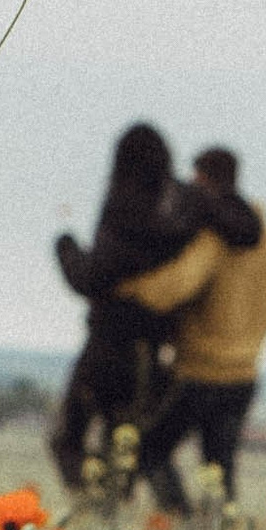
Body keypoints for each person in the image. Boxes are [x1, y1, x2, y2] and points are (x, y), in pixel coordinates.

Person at [120, 147, 266, 508]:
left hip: (201, 371)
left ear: (204, 179)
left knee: (148, 455)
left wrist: (123, 286)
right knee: (219, 473)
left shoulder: (216, 239)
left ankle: (181, 522)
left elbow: (174, 289)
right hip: (245, 373)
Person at [49, 124, 197, 491]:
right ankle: (116, 514)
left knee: (68, 438)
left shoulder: (125, 210)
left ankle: (94, 508)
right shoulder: (182, 212)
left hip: (108, 345)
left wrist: (66, 245)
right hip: (154, 352)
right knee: (123, 445)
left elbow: (90, 277)